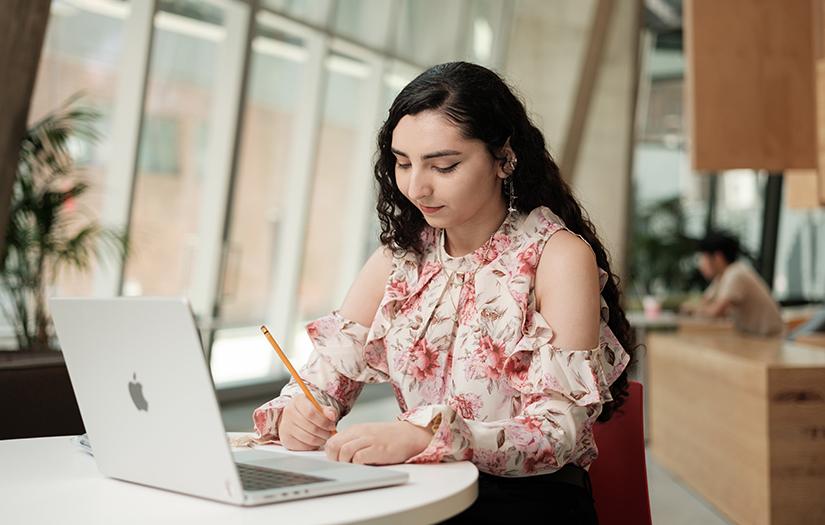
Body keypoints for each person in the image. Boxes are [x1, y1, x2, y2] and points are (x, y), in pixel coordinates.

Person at [252, 62, 634, 524]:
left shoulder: (557, 256)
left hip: (525, 504)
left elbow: (559, 432)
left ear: (504, 158)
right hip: (421, 493)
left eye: (444, 165)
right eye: (402, 162)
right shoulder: (400, 259)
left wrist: (430, 436)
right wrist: (299, 414)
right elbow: (318, 383)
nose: (416, 187)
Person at [681, 231, 783, 337]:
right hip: (753, 338)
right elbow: (704, 302)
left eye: (703, 258)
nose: (700, 264)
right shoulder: (721, 277)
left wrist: (691, 309)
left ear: (718, 257)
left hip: (770, 340)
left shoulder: (736, 273)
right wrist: (690, 308)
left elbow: (715, 312)